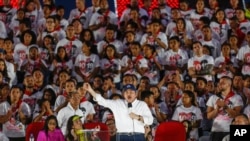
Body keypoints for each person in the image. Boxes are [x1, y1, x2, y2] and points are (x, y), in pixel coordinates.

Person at [83, 83, 153, 141]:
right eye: (126, 92)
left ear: (136, 94)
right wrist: (90, 90)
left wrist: (138, 117)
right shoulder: (117, 103)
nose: (129, 94)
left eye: (131, 92)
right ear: (123, 94)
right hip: (122, 136)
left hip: (138, 135)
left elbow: (150, 120)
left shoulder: (142, 104)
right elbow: (102, 101)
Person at [207, 76, 243, 141]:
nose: (220, 84)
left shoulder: (237, 97)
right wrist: (217, 109)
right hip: (216, 130)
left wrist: (225, 106)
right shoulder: (213, 97)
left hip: (230, 130)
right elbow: (209, 116)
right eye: (219, 83)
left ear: (229, 84)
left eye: (223, 83)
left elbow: (236, 116)